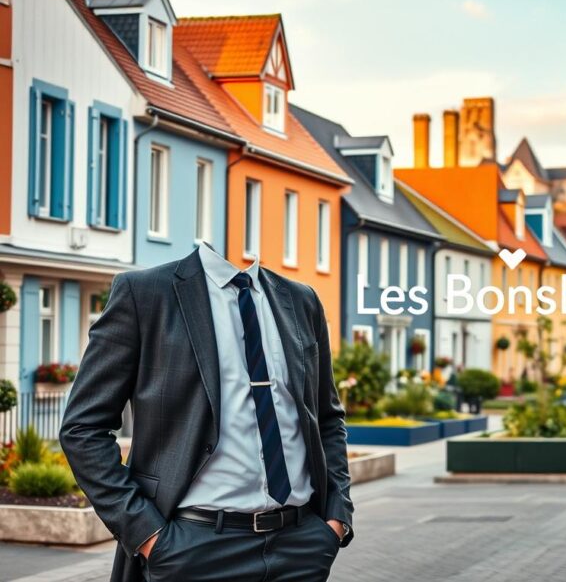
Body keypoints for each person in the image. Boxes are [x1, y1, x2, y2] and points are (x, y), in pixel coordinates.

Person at [60, 244, 354, 582]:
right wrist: (148, 536)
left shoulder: (302, 301)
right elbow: (83, 429)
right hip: (194, 549)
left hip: (300, 547)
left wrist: (336, 518)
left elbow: (327, 418)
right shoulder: (145, 293)